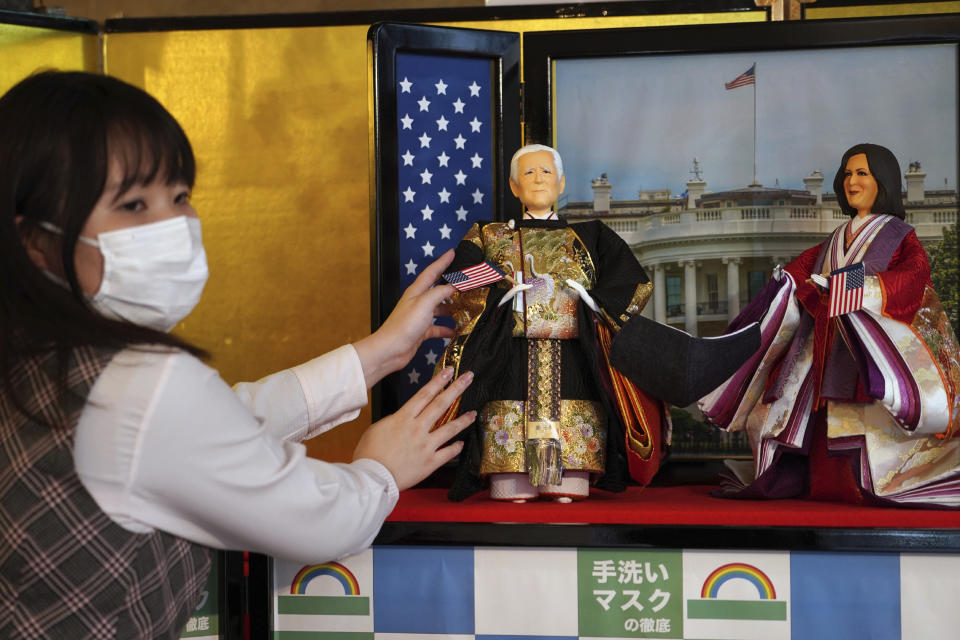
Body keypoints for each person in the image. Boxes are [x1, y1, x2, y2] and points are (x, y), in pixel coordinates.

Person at [0, 70, 475, 639]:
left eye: (178, 197)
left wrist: (374, 356)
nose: (172, 223)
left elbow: (210, 425)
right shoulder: (140, 386)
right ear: (34, 239)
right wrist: (379, 470)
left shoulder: (40, 351)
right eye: (132, 205)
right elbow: (315, 520)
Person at [699, 143, 960, 507]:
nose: (852, 181)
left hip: (865, 344)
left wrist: (848, 287)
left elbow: (914, 276)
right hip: (823, 341)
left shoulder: (898, 235)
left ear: (882, 181)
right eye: (848, 174)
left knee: (862, 423)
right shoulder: (838, 236)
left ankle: (872, 481)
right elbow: (804, 269)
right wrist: (788, 283)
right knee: (805, 414)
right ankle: (811, 479)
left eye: (862, 173)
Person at [434, 144, 668, 502]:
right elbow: (459, 282)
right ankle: (511, 475)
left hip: (575, 353)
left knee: (570, 469)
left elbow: (635, 283)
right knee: (509, 461)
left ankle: (569, 474)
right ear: (514, 187)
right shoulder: (489, 234)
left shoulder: (590, 237)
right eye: (528, 172)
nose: (538, 179)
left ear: (561, 184)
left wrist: (592, 300)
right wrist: (501, 297)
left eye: (546, 172)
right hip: (508, 354)